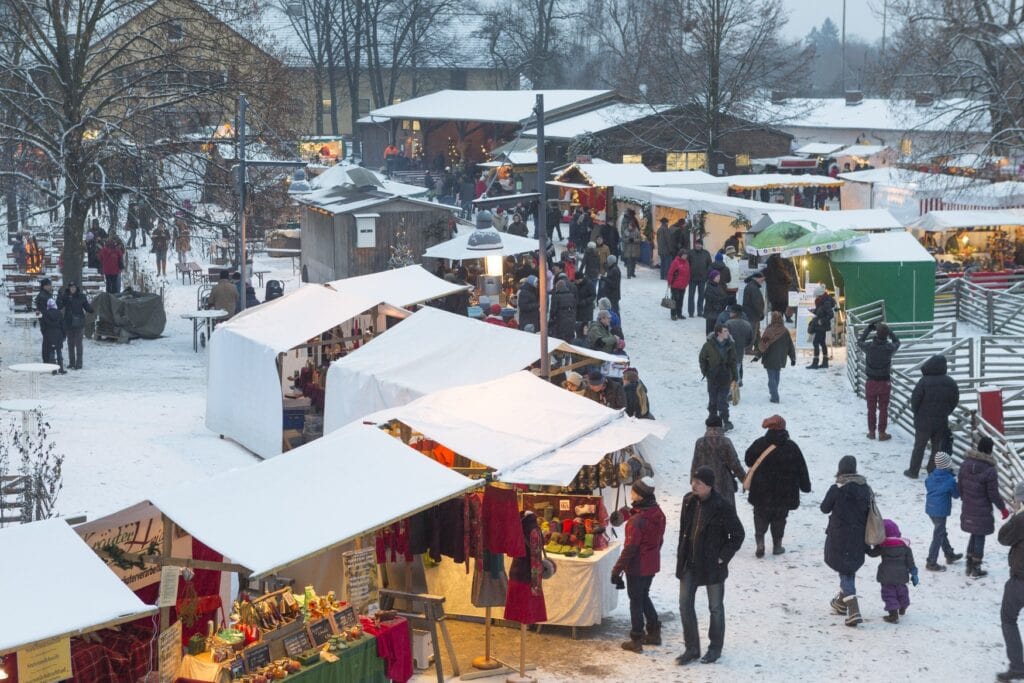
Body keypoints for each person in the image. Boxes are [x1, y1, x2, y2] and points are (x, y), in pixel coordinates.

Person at [675, 466, 745, 665]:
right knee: (684, 604)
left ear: (709, 485)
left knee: (715, 607)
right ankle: (692, 648)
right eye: (693, 481)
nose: (693, 485)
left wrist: (723, 557)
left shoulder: (722, 506)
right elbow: (684, 531)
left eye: (698, 483)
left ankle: (715, 648)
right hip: (690, 563)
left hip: (713, 565)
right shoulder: (688, 501)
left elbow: (738, 534)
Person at [744, 415, 811, 557]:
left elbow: (748, 460)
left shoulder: (760, 443)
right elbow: (801, 468)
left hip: (762, 491)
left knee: (760, 515)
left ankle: (760, 542)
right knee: (779, 519)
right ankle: (777, 546)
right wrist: (806, 486)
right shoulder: (792, 447)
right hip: (784, 493)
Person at [612, 476, 667, 653]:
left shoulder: (637, 522)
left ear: (641, 496)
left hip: (637, 567)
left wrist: (616, 570)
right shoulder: (657, 513)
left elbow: (630, 549)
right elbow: (659, 540)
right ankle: (654, 631)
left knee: (635, 601)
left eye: (634, 491)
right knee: (643, 596)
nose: (631, 492)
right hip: (651, 564)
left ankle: (636, 639)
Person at [821, 455, 872, 627]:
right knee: (848, 567)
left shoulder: (837, 488)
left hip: (839, 535)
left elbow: (824, 508)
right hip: (858, 535)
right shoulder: (865, 488)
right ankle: (842, 602)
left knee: (845, 569)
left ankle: (854, 610)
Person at [959, 436, 1009, 578]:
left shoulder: (966, 464)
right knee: (979, 535)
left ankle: (969, 563)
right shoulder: (990, 470)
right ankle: (976, 567)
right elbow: (993, 494)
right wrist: (1003, 508)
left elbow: (960, 484)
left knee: (974, 533)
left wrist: (965, 499)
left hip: (968, 505)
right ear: (990, 449)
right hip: (982, 508)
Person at [907, 354, 960, 478]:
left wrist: (917, 413)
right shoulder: (950, 382)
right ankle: (932, 469)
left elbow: (915, 400)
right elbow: (955, 399)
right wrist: (946, 411)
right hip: (941, 420)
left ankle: (913, 471)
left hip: (923, 420)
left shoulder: (924, 381)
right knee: (937, 448)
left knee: (919, 446)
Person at [865, 519, 918, 623]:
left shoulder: (882, 546)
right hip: (902, 575)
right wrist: (914, 573)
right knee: (902, 590)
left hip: (887, 575)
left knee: (889, 593)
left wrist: (866, 546)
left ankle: (893, 614)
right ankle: (903, 605)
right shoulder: (905, 547)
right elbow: (910, 562)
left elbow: (872, 554)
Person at [997, 481, 1024, 681]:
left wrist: (1017, 515)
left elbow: (1003, 537)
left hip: (1020, 581)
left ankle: (1017, 666)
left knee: (1008, 619)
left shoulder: (1021, 520)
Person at [858, 321, 901, 441]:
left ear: (876, 333)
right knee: (883, 408)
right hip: (884, 382)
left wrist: (868, 329)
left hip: (871, 382)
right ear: (886, 335)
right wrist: (889, 331)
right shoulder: (889, 348)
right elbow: (897, 342)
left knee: (871, 409)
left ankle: (871, 432)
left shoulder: (869, 347)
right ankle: (882, 432)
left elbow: (859, 342)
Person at [691, 416, 745, 507]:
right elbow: (735, 464)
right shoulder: (726, 442)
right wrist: (744, 480)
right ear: (721, 426)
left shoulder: (700, 442)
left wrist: (693, 482)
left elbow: (695, 464)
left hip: (704, 484)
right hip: (724, 484)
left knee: (706, 513)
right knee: (726, 513)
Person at [924, 451, 963, 571]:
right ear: (947, 465)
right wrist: (957, 484)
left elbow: (928, 485)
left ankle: (949, 554)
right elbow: (956, 495)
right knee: (938, 535)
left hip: (930, 508)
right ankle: (931, 562)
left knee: (941, 532)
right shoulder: (950, 480)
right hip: (940, 511)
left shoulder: (931, 476)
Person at [699, 324, 738, 431]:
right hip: (713, 376)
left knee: (723, 400)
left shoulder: (730, 345)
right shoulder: (708, 345)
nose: (728, 333)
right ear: (718, 333)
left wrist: (735, 376)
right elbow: (702, 359)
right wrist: (706, 372)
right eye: (725, 331)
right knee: (713, 400)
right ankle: (712, 419)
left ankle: (725, 420)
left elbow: (734, 361)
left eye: (727, 331)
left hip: (726, 376)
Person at [752, 311, 796, 404]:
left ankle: (774, 396)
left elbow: (763, 345)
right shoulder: (785, 331)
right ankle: (774, 392)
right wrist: (793, 358)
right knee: (776, 376)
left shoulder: (769, 330)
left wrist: (757, 356)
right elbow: (790, 346)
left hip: (769, 357)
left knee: (771, 377)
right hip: (780, 358)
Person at [58, 283, 93, 370]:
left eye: (74, 287)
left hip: (79, 323)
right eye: (71, 287)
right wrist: (59, 297)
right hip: (69, 323)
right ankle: (72, 362)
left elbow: (87, 307)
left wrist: (92, 308)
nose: (72, 289)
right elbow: (59, 306)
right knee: (70, 344)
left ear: (76, 288)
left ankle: (79, 363)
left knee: (78, 344)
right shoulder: (65, 296)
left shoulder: (81, 297)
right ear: (69, 288)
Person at [806, 285, 836, 369]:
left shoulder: (825, 302)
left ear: (819, 294)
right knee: (822, 343)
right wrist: (814, 311)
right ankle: (825, 362)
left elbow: (830, 314)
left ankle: (815, 363)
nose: (816, 297)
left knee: (815, 343)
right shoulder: (822, 301)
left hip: (821, 326)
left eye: (816, 295)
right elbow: (821, 312)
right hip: (821, 325)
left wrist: (821, 321)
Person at [725, 305, 753, 386]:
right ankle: (737, 383)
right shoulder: (747, 324)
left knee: (731, 372)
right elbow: (750, 339)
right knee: (737, 368)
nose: (729, 313)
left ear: (735, 313)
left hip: (729, 351)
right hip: (740, 351)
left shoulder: (728, 323)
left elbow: (724, 337)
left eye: (731, 311)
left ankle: (732, 392)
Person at [40, 298, 66, 374]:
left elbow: (43, 327)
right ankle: (61, 369)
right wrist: (64, 335)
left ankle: (53, 370)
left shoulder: (45, 314)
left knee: (51, 352)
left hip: (48, 334)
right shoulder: (59, 313)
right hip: (58, 334)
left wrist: (45, 334)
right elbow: (63, 325)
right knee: (59, 351)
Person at [687, 239, 712, 318]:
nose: (698, 245)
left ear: (702, 245)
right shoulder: (690, 253)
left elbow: (709, 265)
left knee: (701, 296)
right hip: (692, 278)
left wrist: (708, 276)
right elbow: (687, 265)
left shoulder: (706, 253)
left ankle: (700, 311)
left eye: (699, 244)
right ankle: (691, 312)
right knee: (691, 296)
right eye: (696, 244)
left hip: (702, 278)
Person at [742, 271, 766, 341]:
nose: (762, 281)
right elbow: (757, 302)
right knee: (753, 332)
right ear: (756, 279)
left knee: (756, 332)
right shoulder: (753, 288)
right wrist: (760, 312)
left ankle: (757, 347)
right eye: (762, 279)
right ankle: (749, 348)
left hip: (751, 314)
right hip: (753, 314)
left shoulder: (752, 286)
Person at [667, 249, 691, 321]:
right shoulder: (675, 262)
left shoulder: (687, 262)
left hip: (683, 285)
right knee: (674, 300)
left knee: (681, 300)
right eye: (684, 255)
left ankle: (679, 313)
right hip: (675, 285)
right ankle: (673, 314)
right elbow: (670, 273)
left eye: (686, 255)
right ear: (680, 255)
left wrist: (687, 282)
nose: (685, 256)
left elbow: (688, 273)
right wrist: (669, 282)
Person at [703, 270, 728, 335]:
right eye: (717, 277)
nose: (719, 278)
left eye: (719, 276)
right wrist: (720, 302)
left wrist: (726, 300)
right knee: (710, 331)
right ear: (713, 278)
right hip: (711, 312)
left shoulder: (718, 286)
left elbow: (723, 296)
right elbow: (710, 298)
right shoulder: (709, 287)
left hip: (718, 311)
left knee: (717, 331)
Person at [575, 274, 595, 340]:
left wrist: (585, 301)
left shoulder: (589, 284)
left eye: (577, 280)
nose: (576, 282)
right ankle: (579, 337)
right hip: (579, 308)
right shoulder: (577, 284)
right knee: (579, 324)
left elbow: (593, 296)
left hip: (587, 308)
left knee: (585, 325)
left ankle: (584, 338)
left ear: (580, 279)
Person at [622, 213, 642, 278]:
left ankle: (632, 273)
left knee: (633, 262)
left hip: (634, 249)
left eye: (630, 225)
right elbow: (623, 239)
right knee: (628, 263)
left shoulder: (637, 231)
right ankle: (628, 274)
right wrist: (628, 240)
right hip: (628, 249)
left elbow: (639, 239)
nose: (629, 227)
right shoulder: (626, 231)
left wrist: (634, 240)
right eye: (629, 225)